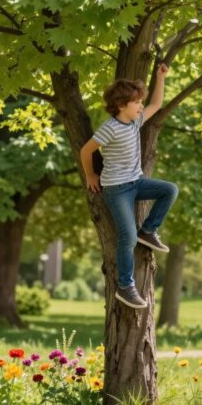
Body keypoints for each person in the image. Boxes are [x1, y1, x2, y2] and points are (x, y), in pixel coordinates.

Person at [79, 63, 178, 309]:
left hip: (137, 182)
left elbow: (156, 104)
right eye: (136, 102)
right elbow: (86, 150)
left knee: (170, 190)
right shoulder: (109, 128)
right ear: (122, 105)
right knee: (127, 236)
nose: (141, 106)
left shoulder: (135, 122)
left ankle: (149, 230)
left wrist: (160, 77)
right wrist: (90, 175)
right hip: (117, 188)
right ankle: (126, 287)